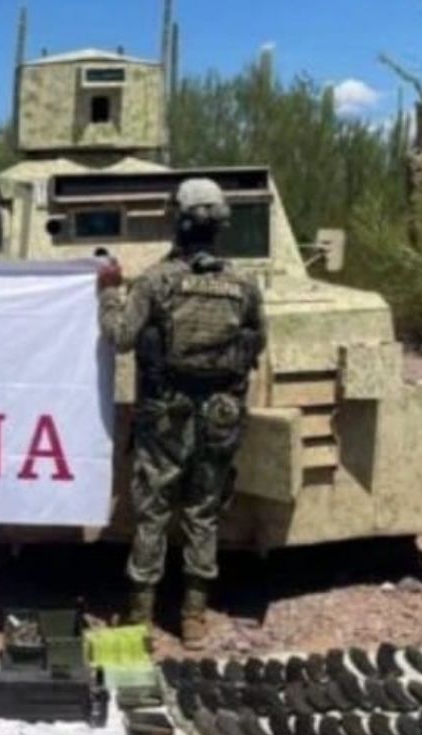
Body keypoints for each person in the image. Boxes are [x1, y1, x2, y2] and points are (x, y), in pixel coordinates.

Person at [96, 178, 265, 649]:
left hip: (165, 414)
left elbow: (120, 336)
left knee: (152, 511)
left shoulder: (157, 280)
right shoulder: (244, 285)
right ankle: (194, 617)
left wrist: (109, 292)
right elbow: (256, 342)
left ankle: (140, 615)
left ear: (179, 222)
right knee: (203, 511)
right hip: (221, 413)